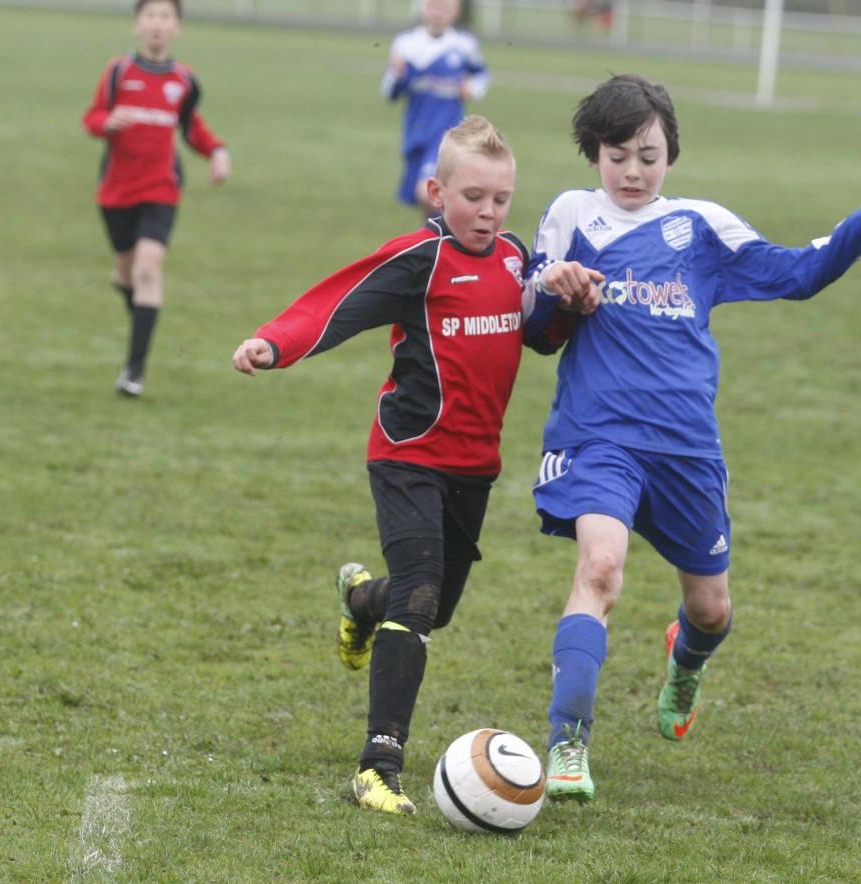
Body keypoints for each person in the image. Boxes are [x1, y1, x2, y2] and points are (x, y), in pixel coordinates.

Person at [521, 74, 861, 803]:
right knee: (601, 570)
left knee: (711, 611)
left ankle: (686, 661)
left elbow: (795, 273)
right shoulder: (572, 214)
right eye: (617, 155)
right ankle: (566, 742)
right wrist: (560, 293)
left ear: (671, 153)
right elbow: (533, 326)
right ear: (593, 152)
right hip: (599, 436)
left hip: (687, 449)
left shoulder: (701, 226)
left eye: (648, 154)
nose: (632, 171)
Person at [232, 116, 597, 816]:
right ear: (437, 191)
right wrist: (273, 343)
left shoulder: (517, 259)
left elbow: (540, 339)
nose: (488, 213)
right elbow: (338, 301)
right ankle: (379, 764)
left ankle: (362, 601)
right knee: (422, 594)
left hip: (474, 466)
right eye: (473, 197)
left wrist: (569, 308)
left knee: (435, 604)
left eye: (500, 199)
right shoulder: (420, 258)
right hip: (406, 455)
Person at [82, 0, 230, 398]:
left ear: (177, 27)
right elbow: (92, 117)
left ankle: (134, 371)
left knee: (149, 270)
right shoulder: (118, 72)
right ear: (136, 24)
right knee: (125, 275)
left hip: (161, 189)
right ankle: (138, 311)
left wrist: (216, 151)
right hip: (116, 190)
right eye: (150, 16)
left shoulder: (184, 81)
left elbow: (191, 127)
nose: (157, 25)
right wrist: (107, 123)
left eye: (166, 17)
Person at [382, 0, 489, 216]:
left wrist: (472, 89)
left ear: (456, 12)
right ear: (422, 7)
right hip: (415, 132)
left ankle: (448, 239)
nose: (438, 13)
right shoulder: (406, 44)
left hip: (446, 134)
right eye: (433, 6)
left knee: (427, 192)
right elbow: (390, 92)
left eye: (445, 7)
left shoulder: (463, 45)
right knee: (425, 199)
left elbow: (481, 74)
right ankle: (435, 240)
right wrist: (398, 74)